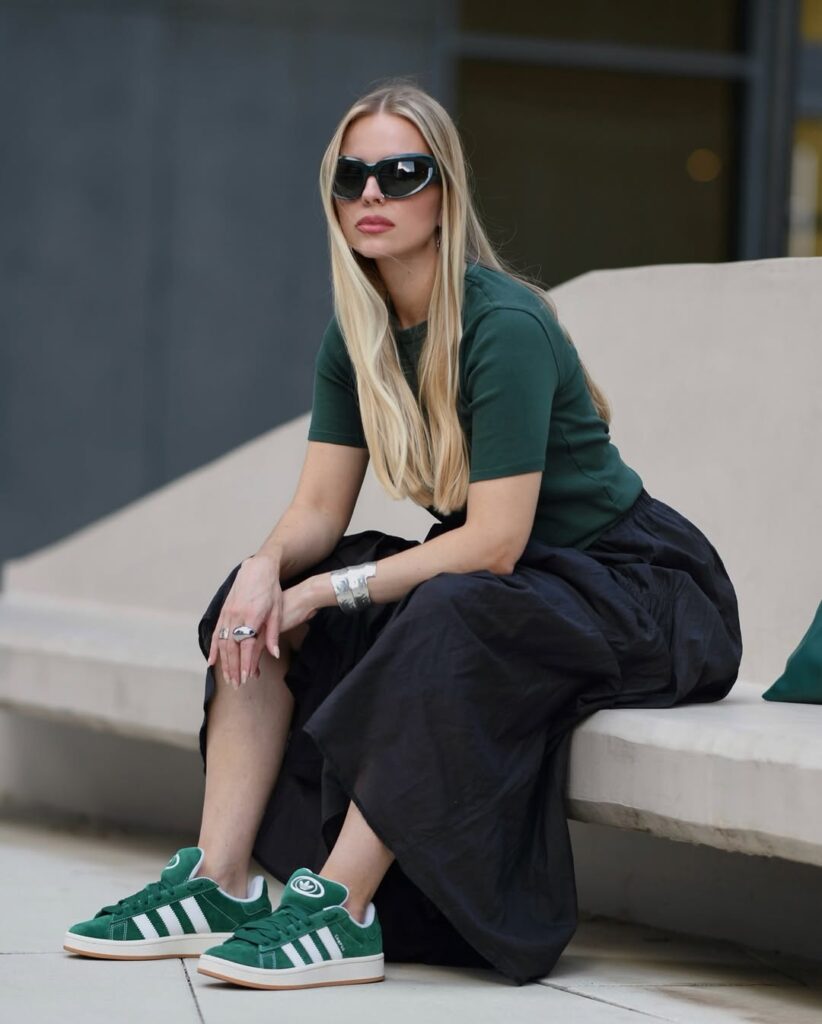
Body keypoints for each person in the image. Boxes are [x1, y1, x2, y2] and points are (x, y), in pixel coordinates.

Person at [63, 78, 743, 990]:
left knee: (443, 611)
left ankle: (340, 911)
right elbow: (318, 512)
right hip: (515, 584)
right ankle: (220, 881)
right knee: (260, 603)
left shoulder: (504, 325)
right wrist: (268, 571)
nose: (373, 194)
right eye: (352, 177)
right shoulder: (360, 335)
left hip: (639, 588)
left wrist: (326, 587)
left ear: (444, 191)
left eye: (401, 173)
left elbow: (494, 542)